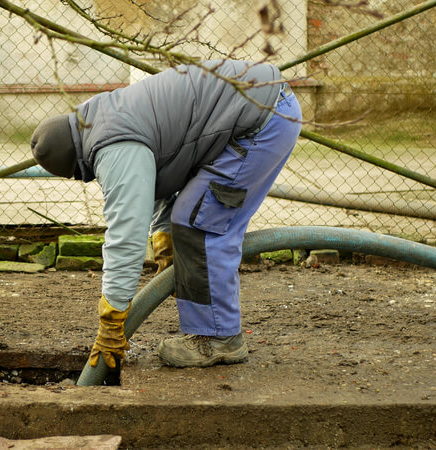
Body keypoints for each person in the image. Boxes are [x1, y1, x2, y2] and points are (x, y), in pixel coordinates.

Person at [30, 59, 302, 369]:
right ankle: (212, 329)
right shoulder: (101, 116)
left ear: (75, 166)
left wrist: (112, 317)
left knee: (200, 223)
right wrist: (163, 236)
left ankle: (219, 339)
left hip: (262, 120)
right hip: (263, 103)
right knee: (188, 219)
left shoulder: (113, 148)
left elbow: (126, 237)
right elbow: (160, 169)